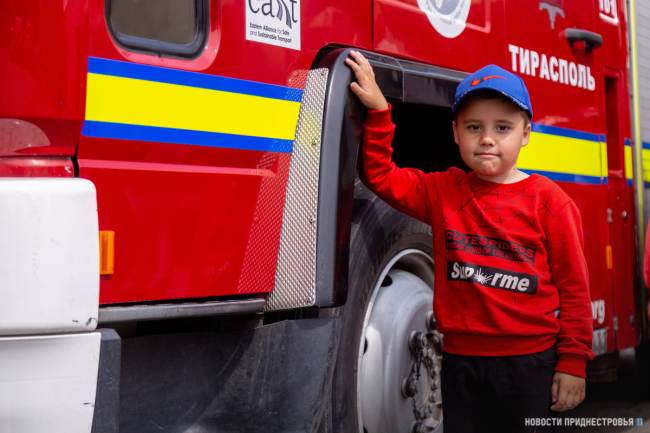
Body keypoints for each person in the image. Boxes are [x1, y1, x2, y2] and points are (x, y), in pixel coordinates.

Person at [345, 50, 595, 433]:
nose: (487, 139)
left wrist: (573, 363)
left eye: (503, 127)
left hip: (531, 364)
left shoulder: (552, 203)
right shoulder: (442, 191)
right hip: (460, 363)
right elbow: (381, 176)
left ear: (526, 134)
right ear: (455, 133)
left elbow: (575, 290)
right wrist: (379, 111)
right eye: (474, 127)